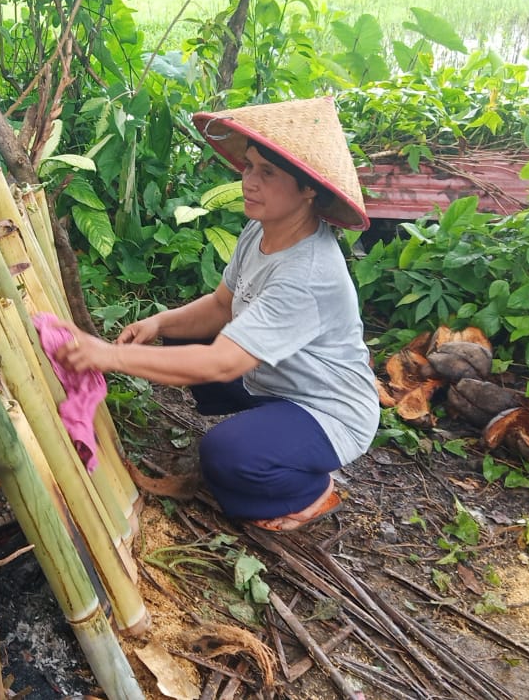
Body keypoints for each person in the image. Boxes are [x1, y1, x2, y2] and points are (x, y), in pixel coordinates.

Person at [53, 96, 380, 532]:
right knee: (182, 334)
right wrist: (159, 322)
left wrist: (108, 357)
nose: (250, 181)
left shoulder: (308, 273)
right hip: (274, 379)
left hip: (327, 409)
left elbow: (221, 362)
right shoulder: (259, 229)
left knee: (223, 456)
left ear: (308, 190)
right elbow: (222, 305)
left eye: (268, 172)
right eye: (248, 166)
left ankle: (311, 490)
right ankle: (270, 434)